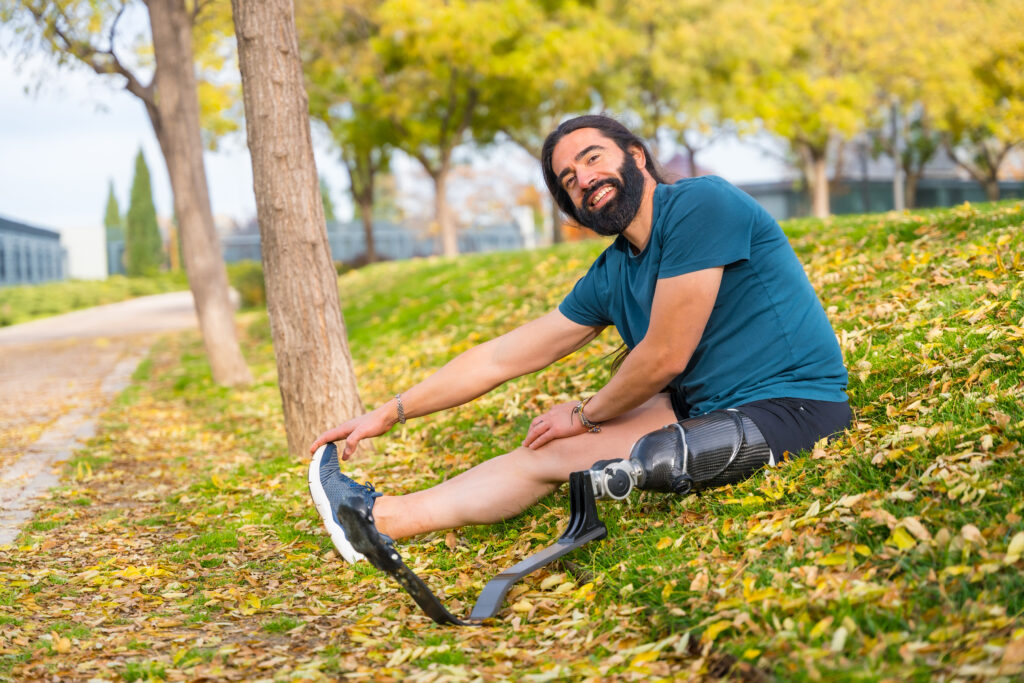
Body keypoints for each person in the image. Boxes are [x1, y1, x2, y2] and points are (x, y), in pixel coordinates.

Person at [308, 114, 850, 564]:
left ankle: (381, 521)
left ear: (635, 157)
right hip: (704, 405)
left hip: (793, 408)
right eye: (568, 179)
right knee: (547, 449)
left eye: (593, 158)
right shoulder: (613, 271)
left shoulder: (701, 206)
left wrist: (586, 413)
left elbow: (664, 355)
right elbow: (501, 357)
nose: (584, 178)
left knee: (626, 450)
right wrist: (389, 412)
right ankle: (380, 523)